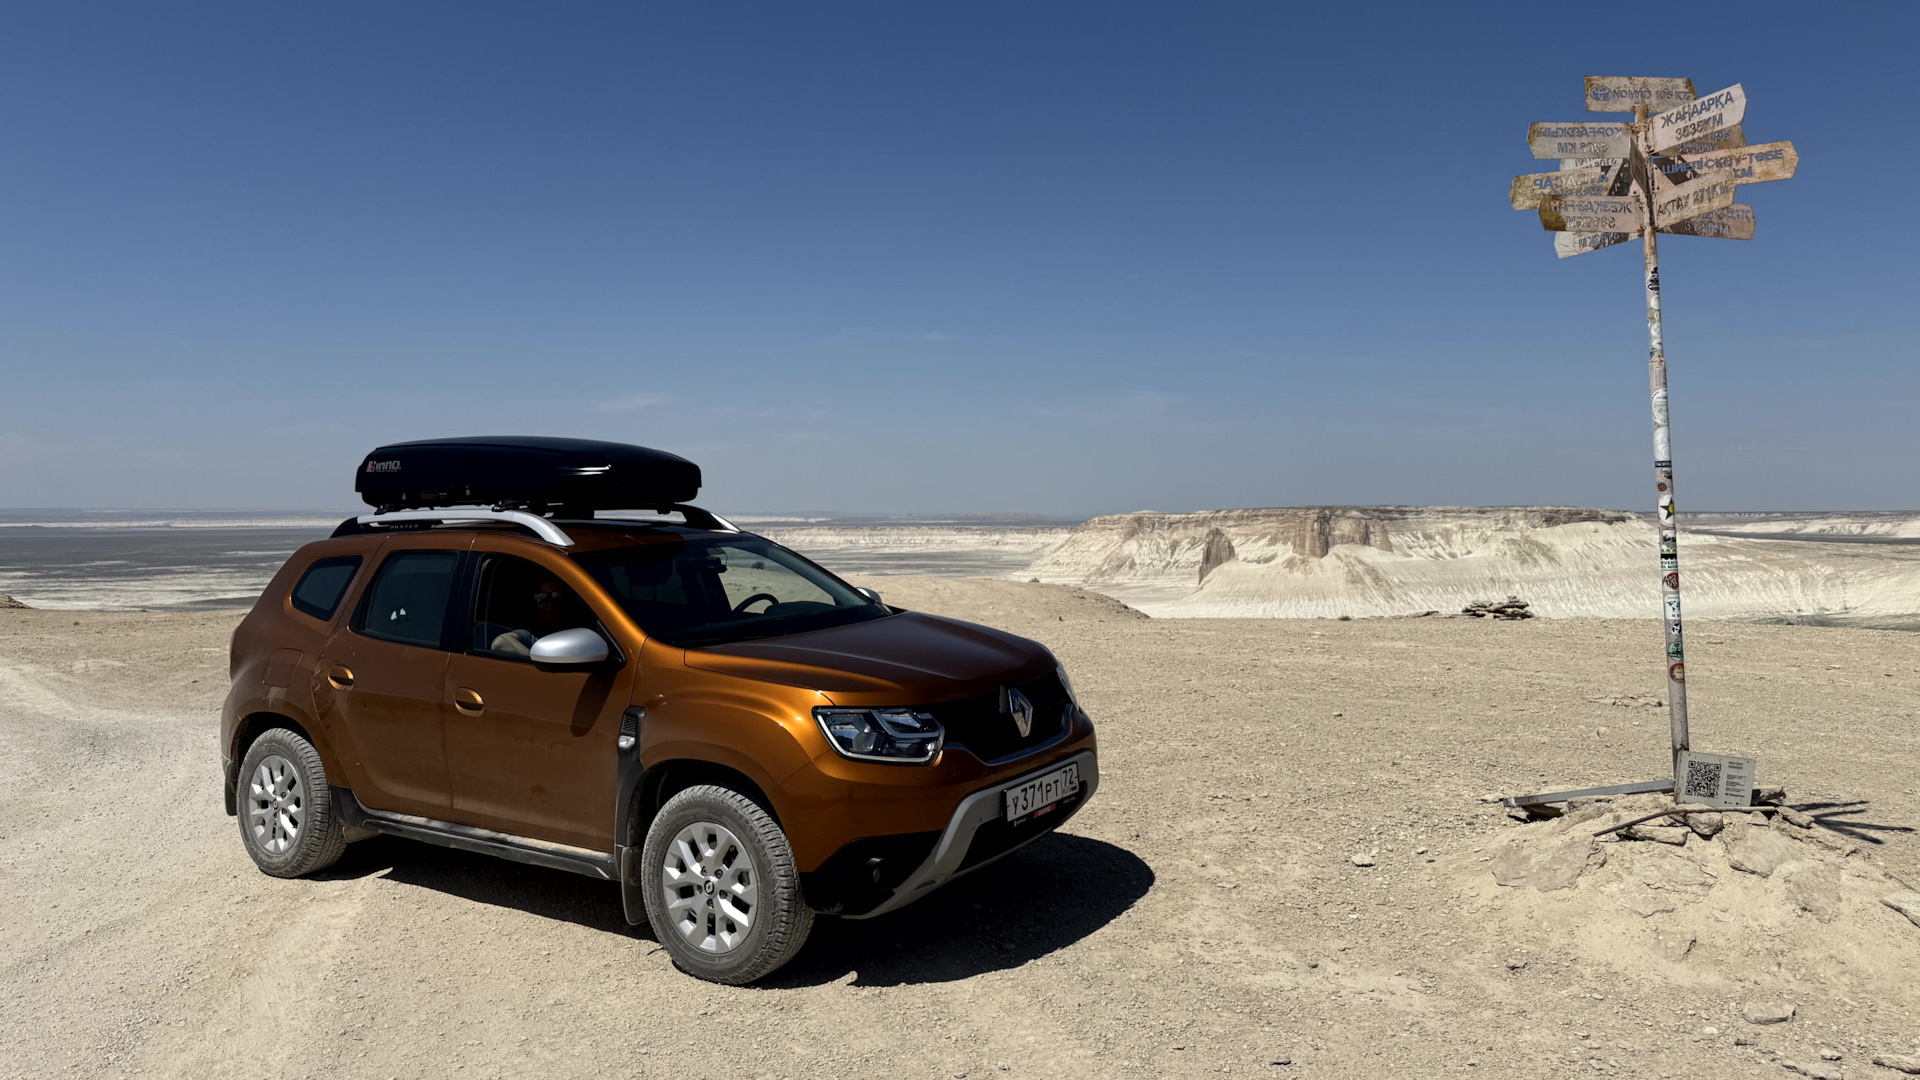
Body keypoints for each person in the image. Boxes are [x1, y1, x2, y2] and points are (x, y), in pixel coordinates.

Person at [490, 577, 584, 658]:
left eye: (557, 596)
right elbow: (500, 642)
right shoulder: (530, 638)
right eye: (541, 597)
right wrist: (537, 665)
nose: (549, 603)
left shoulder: (582, 634)